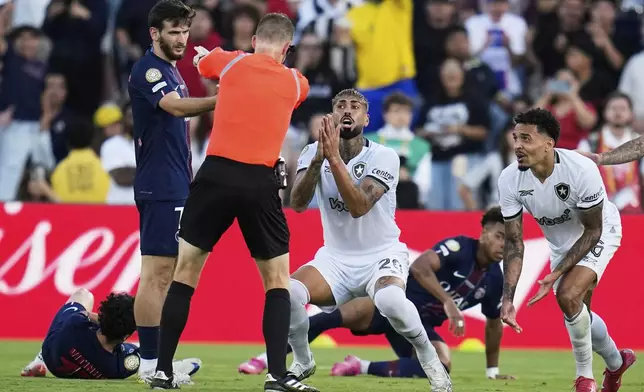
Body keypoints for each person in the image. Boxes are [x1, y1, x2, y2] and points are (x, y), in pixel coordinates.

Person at [151, 12, 313, 392]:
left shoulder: (232, 60)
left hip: (215, 175)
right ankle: (276, 375)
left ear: (254, 40)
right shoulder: (296, 82)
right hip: (259, 181)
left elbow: (202, 61)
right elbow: (291, 93)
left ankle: (161, 372)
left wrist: (206, 57)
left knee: (185, 272)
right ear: (287, 49)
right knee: (276, 281)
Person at [284, 89, 452, 391]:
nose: (347, 111)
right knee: (290, 293)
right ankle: (304, 359)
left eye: (355, 106)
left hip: (381, 254)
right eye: (340, 106)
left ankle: (429, 358)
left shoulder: (384, 155)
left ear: (366, 117)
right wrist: (317, 161)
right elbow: (296, 204)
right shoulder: (313, 151)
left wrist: (333, 160)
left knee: (390, 300)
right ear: (332, 115)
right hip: (335, 258)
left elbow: (359, 207)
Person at [239, 207, 515, 380]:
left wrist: (492, 370)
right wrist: (448, 304)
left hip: (416, 326)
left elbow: (493, 324)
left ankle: (360, 366)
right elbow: (419, 267)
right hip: (388, 299)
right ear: (484, 233)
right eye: (499, 236)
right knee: (330, 319)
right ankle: (266, 359)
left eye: (510, 239)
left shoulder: (493, 281)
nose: (504, 244)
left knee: (442, 364)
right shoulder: (460, 248)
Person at [498, 108, 636, 392]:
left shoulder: (580, 169)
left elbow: (593, 231)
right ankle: (616, 362)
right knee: (577, 310)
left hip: (600, 233)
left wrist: (556, 274)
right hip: (561, 245)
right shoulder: (509, 179)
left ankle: (585, 378)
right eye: (515, 138)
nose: (518, 146)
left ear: (549, 144)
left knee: (567, 294)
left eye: (526, 138)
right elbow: (514, 242)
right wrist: (508, 298)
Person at [127, 0, 217, 384]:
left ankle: (158, 359)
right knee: (157, 274)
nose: (181, 38)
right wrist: (223, 100)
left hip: (174, 182)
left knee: (166, 273)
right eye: (173, 32)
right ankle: (150, 364)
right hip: (160, 185)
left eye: (184, 31)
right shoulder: (149, 70)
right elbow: (175, 109)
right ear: (155, 33)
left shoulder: (171, 70)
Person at [19, 289, 200, 380]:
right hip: (84, 367)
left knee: (83, 295)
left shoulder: (75, 324)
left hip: (53, 357)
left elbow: (83, 313)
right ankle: (171, 368)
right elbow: (143, 349)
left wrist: (105, 318)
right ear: (126, 335)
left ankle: (38, 359)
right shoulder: (120, 366)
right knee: (147, 352)